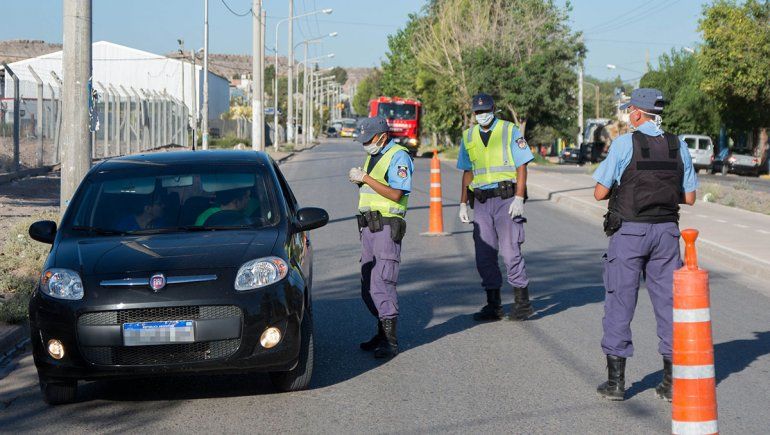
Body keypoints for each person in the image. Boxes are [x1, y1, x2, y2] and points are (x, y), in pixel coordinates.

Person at [592, 88, 698, 402]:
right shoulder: (680, 146)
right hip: (667, 234)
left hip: (630, 233)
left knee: (620, 302)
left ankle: (615, 384)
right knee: (668, 304)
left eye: (630, 111)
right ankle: (671, 382)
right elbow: (689, 197)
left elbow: (600, 193)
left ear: (638, 113)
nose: (628, 116)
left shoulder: (625, 144)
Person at [457, 93, 535, 322]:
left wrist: (520, 197)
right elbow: (467, 171)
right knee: (484, 255)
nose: (482, 115)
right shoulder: (468, 136)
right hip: (481, 201)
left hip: (506, 199)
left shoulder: (509, 130)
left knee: (511, 252)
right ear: (474, 113)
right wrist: (462, 202)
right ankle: (493, 305)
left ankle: (522, 303)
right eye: (478, 112)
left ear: (493, 109)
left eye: (485, 110)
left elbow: (522, 165)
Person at [348, 117, 413, 359]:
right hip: (369, 227)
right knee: (367, 284)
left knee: (382, 282)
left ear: (383, 136)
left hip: (386, 226)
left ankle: (390, 340)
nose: (365, 144)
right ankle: (380, 330)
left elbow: (396, 193)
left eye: (368, 140)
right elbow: (374, 190)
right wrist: (360, 182)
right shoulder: (374, 155)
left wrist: (365, 178)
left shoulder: (398, 156)